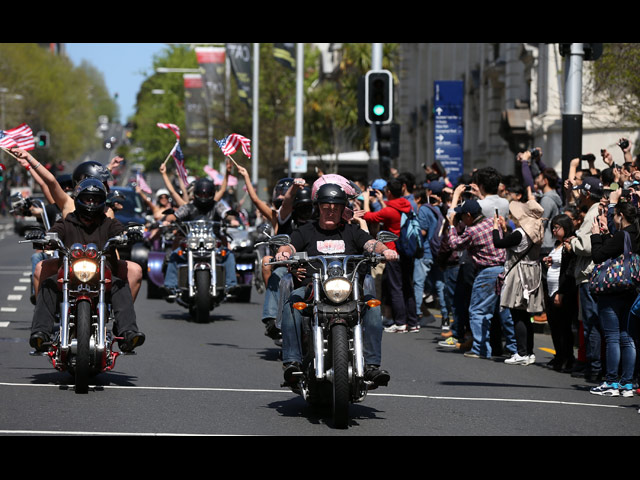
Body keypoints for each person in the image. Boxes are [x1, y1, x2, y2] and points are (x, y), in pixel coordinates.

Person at [275, 183, 397, 388]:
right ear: (318, 208)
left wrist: (384, 250)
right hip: (313, 289)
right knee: (292, 303)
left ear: (342, 210)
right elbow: (290, 244)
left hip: (349, 291)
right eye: (326, 207)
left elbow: (371, 244)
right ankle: (292, 362)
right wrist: (284, 252)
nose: (330, 211)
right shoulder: (306, 231)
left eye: (335, 207)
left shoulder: (352, 231)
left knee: (374, 306)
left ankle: (372, 365)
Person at [29, 178, 145, 353]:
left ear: (102, 202)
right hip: (69, 276)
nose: (92, 203)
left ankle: (127, 332)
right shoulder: (66, 222)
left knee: (120, 286)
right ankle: (41, 333)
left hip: (101, 277)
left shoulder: (108, 223)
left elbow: (120, 232)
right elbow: (54, 233)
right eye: (88, 199)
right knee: (48, 285)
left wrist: (129, 234)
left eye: (96, 199)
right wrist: (44, 237)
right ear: (78, 199)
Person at [446, 190, 515, 359]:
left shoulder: (472, 231)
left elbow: (455, 245)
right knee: (503, 311)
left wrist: (452, 227)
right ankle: (515, 348)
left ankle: (481, 349)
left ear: (469, 215)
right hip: (504, 269)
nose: (461, 220)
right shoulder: (493, 222)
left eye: (462, 217)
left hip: (487, 272)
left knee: (478, 311)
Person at [588, 201, 639, 397]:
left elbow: (598, 255)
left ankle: (611, 381)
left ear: (620, 216)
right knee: (628, 337)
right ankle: (627, 383)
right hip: (632, 290)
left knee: (612, 337)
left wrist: (595, 236)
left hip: (612, 291)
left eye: (614, 216)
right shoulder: (636, 234)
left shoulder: (622, 235)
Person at [493, 192, 545, 365]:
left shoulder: (519, 233)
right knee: (526, 314)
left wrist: (495, 228)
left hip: (520, 275)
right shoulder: (536, 231)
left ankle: (521, 352)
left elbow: (498, 243)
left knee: (517, 314)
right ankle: (529, 352)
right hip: (533, 273)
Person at [162, 177, 237, 296]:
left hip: (212, 243)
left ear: (212, 194)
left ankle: (231, 285)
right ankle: (170, 286)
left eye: (207, 194)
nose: (203, 197)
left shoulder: (217, 206)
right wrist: (169, 220)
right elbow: (176, 215)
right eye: (201, 194)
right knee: (175, 255)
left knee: (229, 255)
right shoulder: (188, 207)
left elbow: (226, 214)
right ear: (196, 194)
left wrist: (231, 219)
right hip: (192, 243)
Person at [362, 178, 419, 333]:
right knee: (408, 286)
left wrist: (366, 199)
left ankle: (400, 322)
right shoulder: (407, 206)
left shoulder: (388, 210)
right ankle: (413, 322)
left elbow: (368, 217)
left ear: (388, 192)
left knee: (395, 287)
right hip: (408, 251)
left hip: (393, 252)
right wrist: (382, 201)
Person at [565, 176, 605, 380]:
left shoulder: (593, 213)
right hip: (590, 274)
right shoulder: (595, 210)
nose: (579, 195)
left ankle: (595, 367)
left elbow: (588, 246)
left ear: (588, 194)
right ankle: (595, 365)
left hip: (589, 274)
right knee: (590, 322)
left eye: (581, 192)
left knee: (591, 322)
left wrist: (573, 244)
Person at [542, 214, 578, 372]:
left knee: (564, 326)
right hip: (550, 289)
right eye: (553, 228)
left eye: (557, 227)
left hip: (562, 290)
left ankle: (567, 358)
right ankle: (559, 355)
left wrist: (561, 292)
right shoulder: (557, 244)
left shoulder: (569, 245)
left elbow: (569, 271)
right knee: (554, 325)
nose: (554, 230)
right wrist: (550, 262)